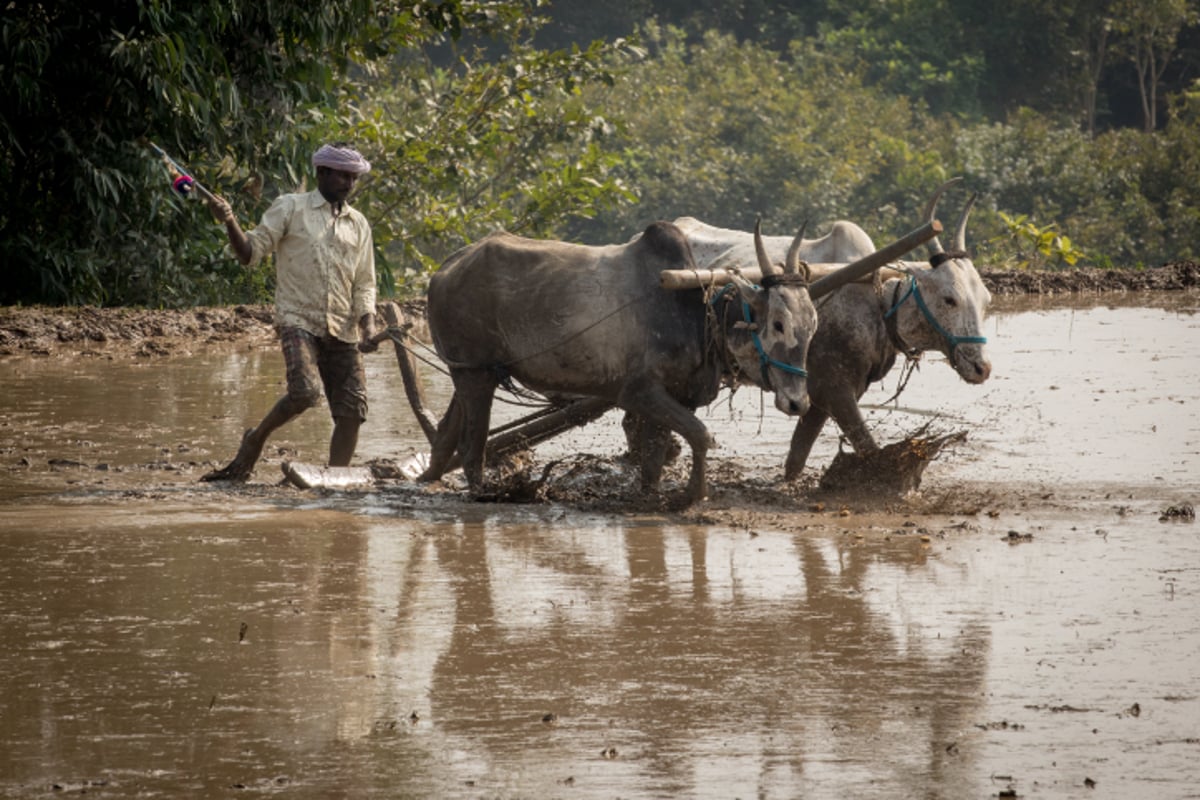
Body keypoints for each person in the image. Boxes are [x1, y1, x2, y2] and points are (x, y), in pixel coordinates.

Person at [201, 142, 378, 482]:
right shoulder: (291, 208)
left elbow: (365, 284)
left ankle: (335, 479)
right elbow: (251, 253)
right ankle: (255, 439)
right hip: (298, 320)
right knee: (305, 393)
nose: (348, 184)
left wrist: (368, 327)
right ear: (321, 173)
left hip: (343, 327)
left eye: (353, 178)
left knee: (353, 410)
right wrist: (230, 221)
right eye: (342, 176)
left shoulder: (359, 224)